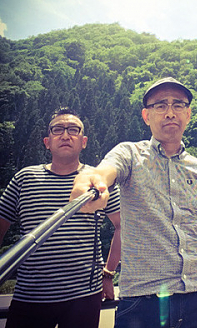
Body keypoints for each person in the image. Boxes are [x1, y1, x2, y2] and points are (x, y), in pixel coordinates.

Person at [70, 77, 197, 328]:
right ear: (146, 116)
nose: (170, 112)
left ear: (188, 114)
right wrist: (90, 183)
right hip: (142, 300)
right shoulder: (129, 154)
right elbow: (104, 171)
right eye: (160, 105)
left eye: (178, 105)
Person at [0, 107, 121, 328]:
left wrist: (108, 273)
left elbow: (123, 226)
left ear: (84, 141)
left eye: (73, 130)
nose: (65, 135)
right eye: (58, 130)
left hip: (84, 295)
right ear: (47, 142)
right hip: (30, 294)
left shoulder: (98, 180)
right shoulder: (24, 178)